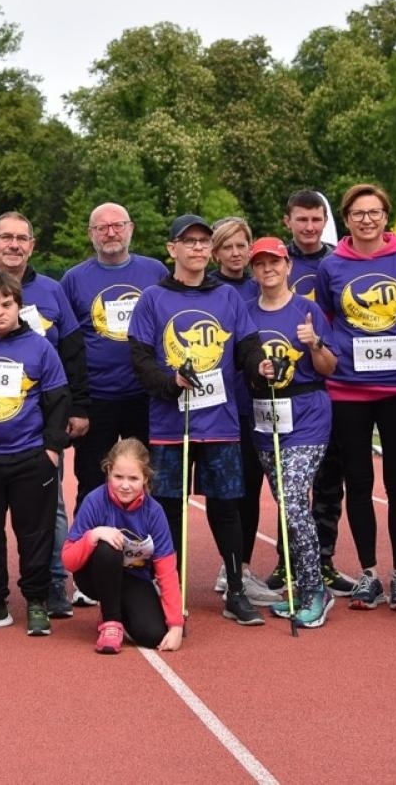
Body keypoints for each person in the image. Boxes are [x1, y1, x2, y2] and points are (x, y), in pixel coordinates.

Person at [0, 212, 90, 620]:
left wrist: (57, 436)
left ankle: (48, 588)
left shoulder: (52, 293)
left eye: (21, 238)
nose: (13, 244)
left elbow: (72, 355)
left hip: (34, 441)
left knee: (46, 519)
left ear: (32, 244)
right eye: (5, 237)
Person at [128, 214, 270, 627]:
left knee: (227, 508)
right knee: (169, 508)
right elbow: (139, 359)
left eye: (203, 242)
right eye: (188, 242)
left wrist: (259, 366)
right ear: (172, 248)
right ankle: (168, 585)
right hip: (171, 427)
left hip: (221, 424)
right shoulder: (153, 298)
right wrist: (170, 382)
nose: (197, 249)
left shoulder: (226, 296)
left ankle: (235, 588)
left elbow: (247, 347)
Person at [314, 183, 396, 610]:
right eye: (358, 213)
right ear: (346, 220)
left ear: (386, 216)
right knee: (358, 482)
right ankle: (368, 572)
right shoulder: (332, 266)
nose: (367, 219)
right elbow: (324, 320)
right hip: (347, 389)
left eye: (374, 212)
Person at [0, 270, 71, 635]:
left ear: (19, 306)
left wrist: (51, 449)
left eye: (7, 305)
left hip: (30, 459)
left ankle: (37, 602)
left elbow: (58, 400)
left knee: (35, 534)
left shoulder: (40, 347)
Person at [59, 203, 167, 536]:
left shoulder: (156, 272)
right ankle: (86, 561)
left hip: (146, 399)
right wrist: (75, 403)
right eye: (102, 227)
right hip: (97, 399)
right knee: (92, 482)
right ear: (91, 234)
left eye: (117, 225)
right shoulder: (74, 279)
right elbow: (67, 343)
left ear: (131, 229)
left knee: (146, 481)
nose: (110, 232)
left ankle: (148, 555)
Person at [244, 236, 337, 628]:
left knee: (296, 501)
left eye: (275, 263)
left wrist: (314, 343)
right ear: (253, 271)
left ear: (288, 267)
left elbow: (330, 366)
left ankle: (317, 589)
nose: (269, 270)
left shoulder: (307, 309)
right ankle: (300, 586)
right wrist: (257, 368)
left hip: (308, 415)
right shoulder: (246, 313)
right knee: (286, 505)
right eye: (261, 264)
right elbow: (242, 362)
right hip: (266, 417)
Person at [283, 189, 358, 599]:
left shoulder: (339, 260)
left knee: (330, 482)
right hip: (286, 390)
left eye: (316, 219)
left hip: (335, 385)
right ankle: (287, 561)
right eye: (302, 220)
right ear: (288, 221)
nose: (309, 227)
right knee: (286, 484)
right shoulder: (277, 262)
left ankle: (323, 560)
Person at [61, 439, 184, 653]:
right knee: (108, 548)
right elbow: (69, 560)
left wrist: (176, 625)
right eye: (118, 477)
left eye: (133, 478)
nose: (125, 485)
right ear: (108, 471)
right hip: (94, 575)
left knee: (152, 635)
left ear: (145, 478)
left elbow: (167, 571)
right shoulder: (94, 501)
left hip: (134, 577)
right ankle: (111, 622)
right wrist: (94, 535)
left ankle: (120, 605)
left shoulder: (154, 513)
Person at [210, 216, 271, 602]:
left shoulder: (260, 286)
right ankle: (227, 567)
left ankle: (242, 567)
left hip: (256, 405)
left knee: (250, 489)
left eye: (241, 245)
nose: (235, 253)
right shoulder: (207, 290)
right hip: (217, 406)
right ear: (215, 252)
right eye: (227, 246)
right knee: (224, 492)